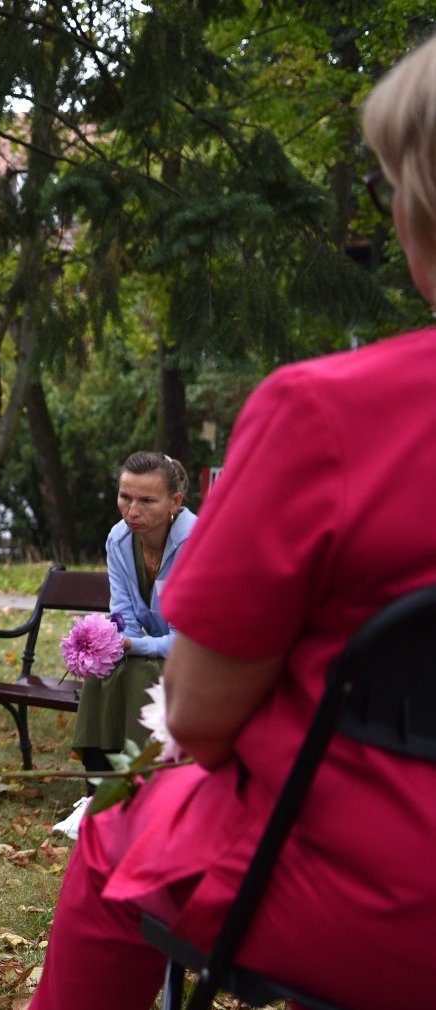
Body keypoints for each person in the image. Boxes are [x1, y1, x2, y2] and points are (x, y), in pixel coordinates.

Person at [27, 35, 436, 1010]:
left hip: (374, 898)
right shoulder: (132, 537)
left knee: (110, 837)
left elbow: (202, 713)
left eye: (390, 182)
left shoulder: (330, 417)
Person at [54, 452, 196, 837]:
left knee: (142, 668)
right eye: (125, 497)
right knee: (106, 668)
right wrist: (116, 645)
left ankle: (138, 796)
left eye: (147, 500)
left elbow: (186, 641)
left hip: (204, 660)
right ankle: (95, 795)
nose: (132, 510)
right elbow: (123, 618)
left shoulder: (197, 542)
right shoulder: (118, 539)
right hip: (155, 648)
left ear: (175, 502)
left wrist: (130, 645)